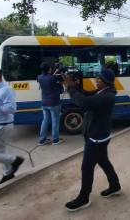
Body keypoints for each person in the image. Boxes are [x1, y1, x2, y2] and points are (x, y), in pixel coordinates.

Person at [64, 68, 121, 212]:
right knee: (104, 162)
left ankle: (84, 198)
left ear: (106, 82)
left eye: (99, 79)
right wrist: (76, 86)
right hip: (99, 136)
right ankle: (115, 186)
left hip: (96, 138)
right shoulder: (102, 92)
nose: (96, 81)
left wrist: (71, 88)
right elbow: (86, 95)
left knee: (86, 167)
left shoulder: (107, 96)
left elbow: (85, 103)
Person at [37, 62, 64, 145]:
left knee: (45, 120)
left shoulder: (39, 77)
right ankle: (55, 140)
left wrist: (55, 73)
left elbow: (49, 77)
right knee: (55, 121)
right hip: (54, 102)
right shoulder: (52, 78)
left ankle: (42, 140)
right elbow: (60, 90)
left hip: (44, 103)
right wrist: (61, 84)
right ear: (48, 69)